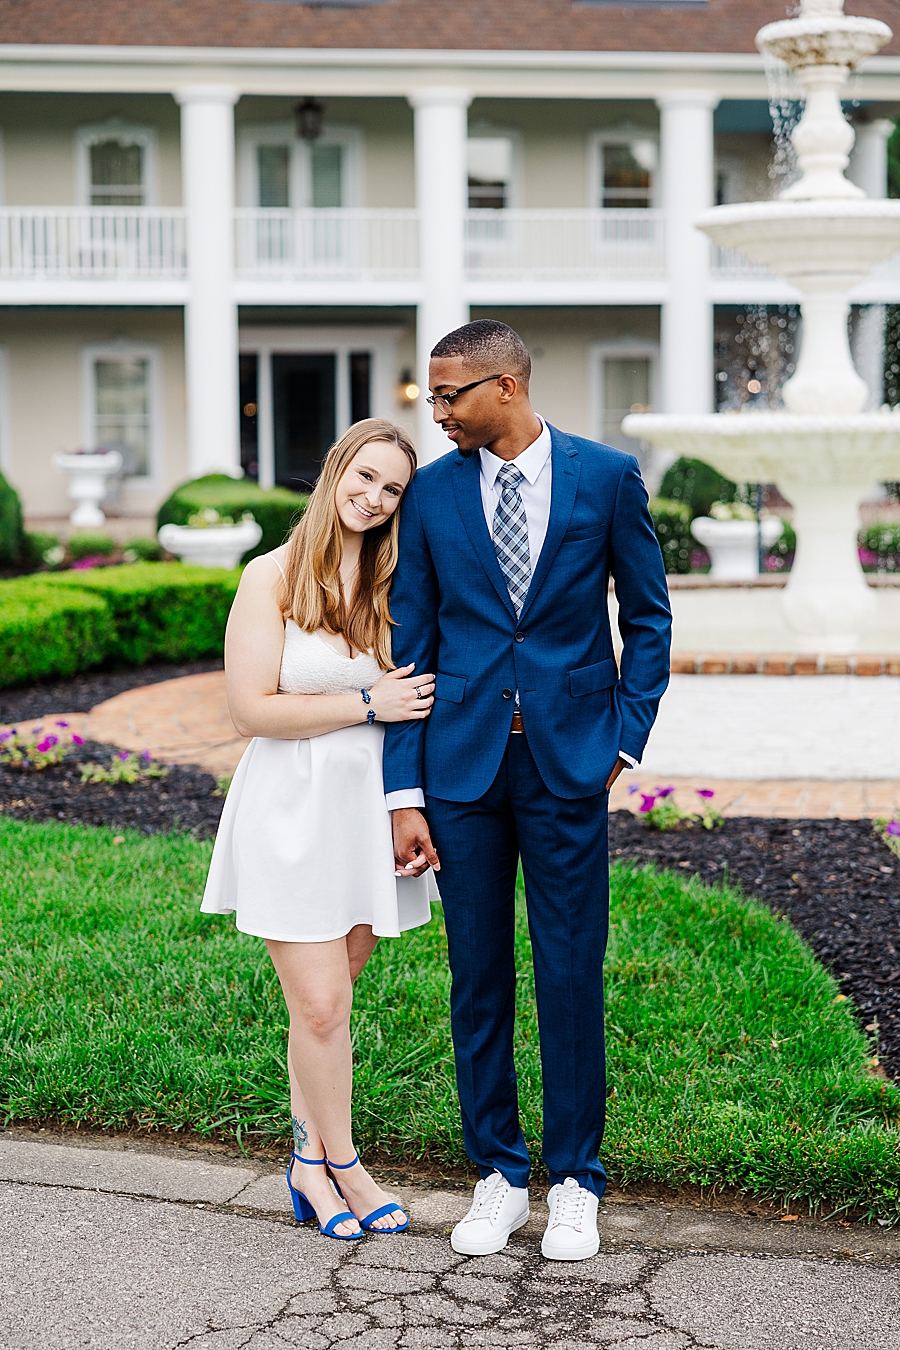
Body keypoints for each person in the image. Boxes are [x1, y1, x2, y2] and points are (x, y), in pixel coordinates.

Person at [384, 320, 671, 1261]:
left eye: (448, 396)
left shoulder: (605, 477)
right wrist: (404, 792)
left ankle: (577, 1180)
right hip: (462, 768)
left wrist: (623, 739)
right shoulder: (428, 496)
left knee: (568, 968)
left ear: (504, 386)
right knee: (478, 978)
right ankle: (500, 1174)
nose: (437, 413)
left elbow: (649, 616)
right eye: (431, 397)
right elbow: (411, 644)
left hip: (568, 764)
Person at [201, 418, 438, 1241]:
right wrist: (365, 704)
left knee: (324, 1014)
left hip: (367, 814)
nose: (373, 499)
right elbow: (249, 710)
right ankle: (344, 1165)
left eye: (392, 489)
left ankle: (308, 1163)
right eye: (364, 477)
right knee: (324, 1001)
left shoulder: (395, 582)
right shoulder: (268, 576)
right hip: (290, 809)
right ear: (336, 467)